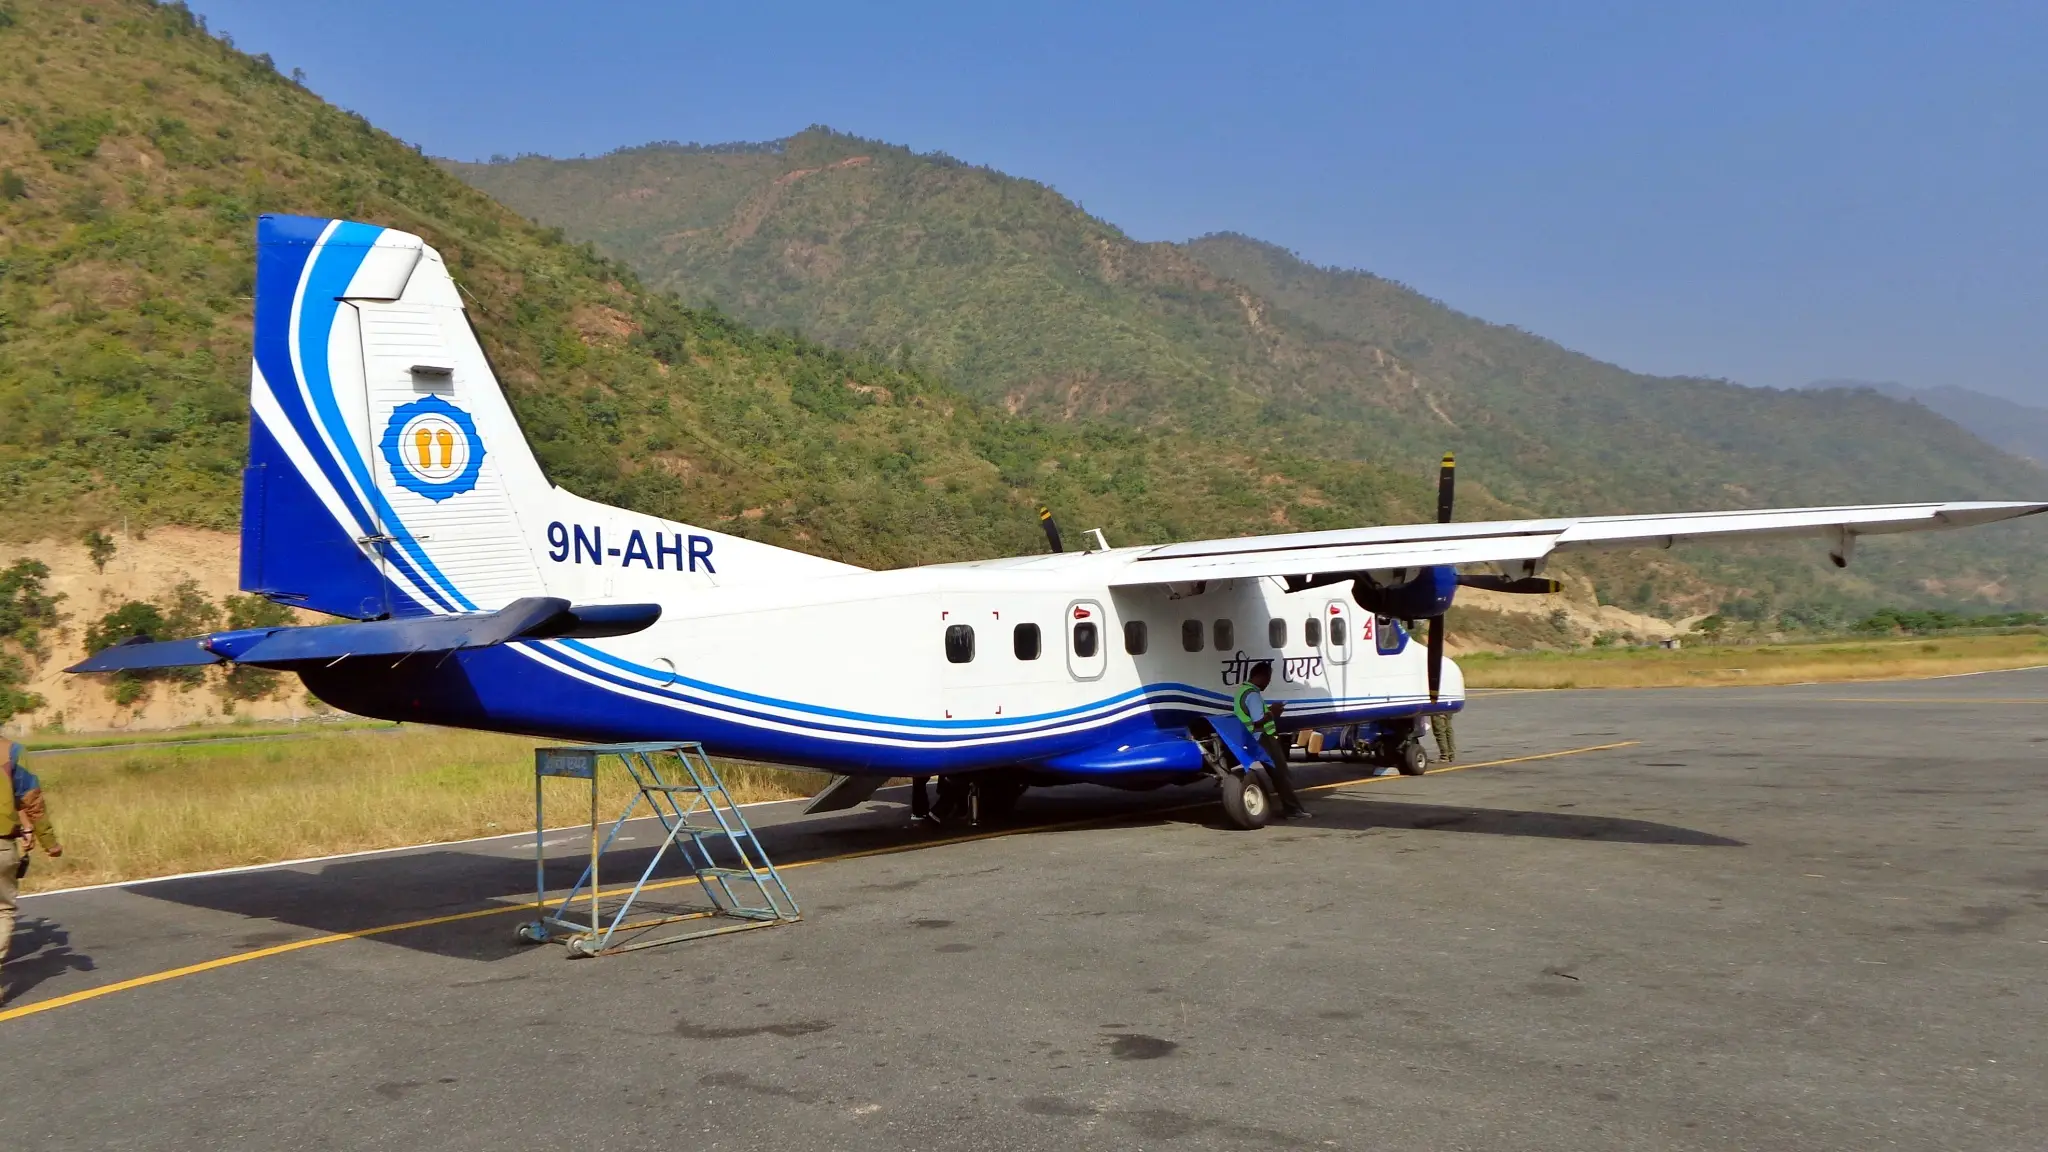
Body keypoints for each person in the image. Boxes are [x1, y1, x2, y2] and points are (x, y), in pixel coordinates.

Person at [4, 742, 63, 967]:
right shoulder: (11, 752)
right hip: (2, 845)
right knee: (3, 910)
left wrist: (26, 826)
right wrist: (48, 840)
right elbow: (28, 797)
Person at [1234, 662, 1306, 818]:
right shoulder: (1252, 695)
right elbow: (1258, 720)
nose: (1268, 683)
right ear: (1260, 676)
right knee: (1281, 774)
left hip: (1254, 737)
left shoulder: (1242, 691)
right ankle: (1292, 809)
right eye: (1268, 678)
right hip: (1263, 738)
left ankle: (1291, 807)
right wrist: (1273, 712)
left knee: (1278, 774)